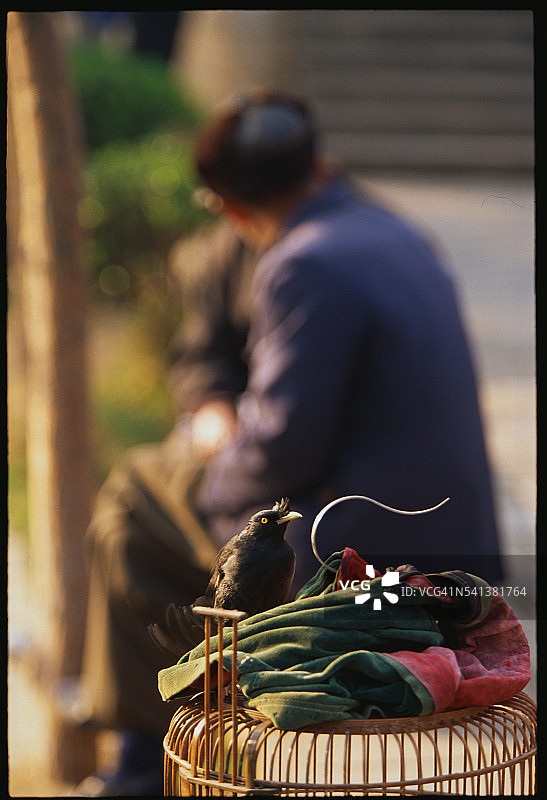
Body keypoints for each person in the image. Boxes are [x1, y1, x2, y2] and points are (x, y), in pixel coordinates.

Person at [75, 87, 503, 795]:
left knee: (130, 497)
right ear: (317, 165)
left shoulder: (301, 262)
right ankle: (159, 745)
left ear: (231, 208)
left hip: (355, 560)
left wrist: (209, 452)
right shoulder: (390, 230)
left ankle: (142, 765)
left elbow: (277, 453)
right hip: (453, 553)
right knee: (157, 516)